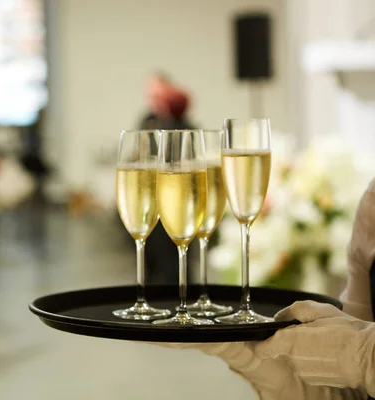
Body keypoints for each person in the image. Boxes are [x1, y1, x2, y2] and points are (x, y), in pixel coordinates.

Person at [161, 179, 375, 399]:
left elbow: (358, 360)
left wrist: (365, 356)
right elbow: (352, 395)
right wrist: (240, 349)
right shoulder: (372, 204)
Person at [137, 71, 197, 285]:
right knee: (151, 257)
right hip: (152, 198)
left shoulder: (184, 124)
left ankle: (182, 292)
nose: (153, 100)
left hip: (176, 200)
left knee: (176, 254)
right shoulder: (146, 121)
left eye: (158, 94)